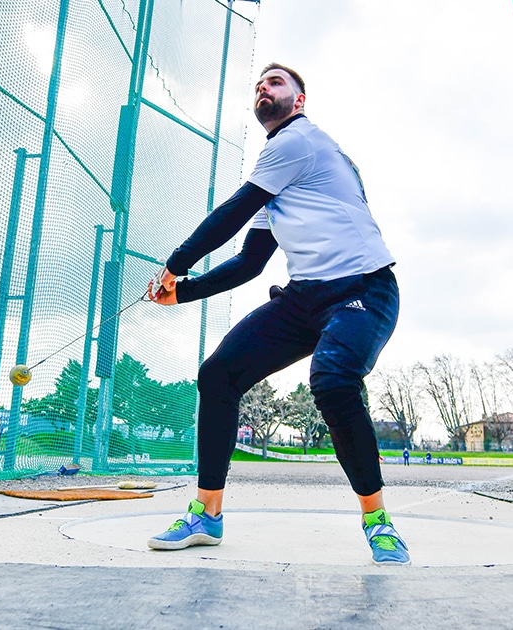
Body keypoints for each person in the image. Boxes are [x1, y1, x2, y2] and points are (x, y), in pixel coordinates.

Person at [144, 63, 407, 565]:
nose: (264, 88)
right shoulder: (279, 174)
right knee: (218, 375)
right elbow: (250, 261)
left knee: (331, 380)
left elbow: (235, 209)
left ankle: (378, 521)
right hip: (304, 298)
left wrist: (174, 266)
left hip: (363, 289)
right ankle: (207, 515)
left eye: (276, 82)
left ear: (300, 101)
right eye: (259, 84)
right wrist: (184, 292)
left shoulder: (299, 141)